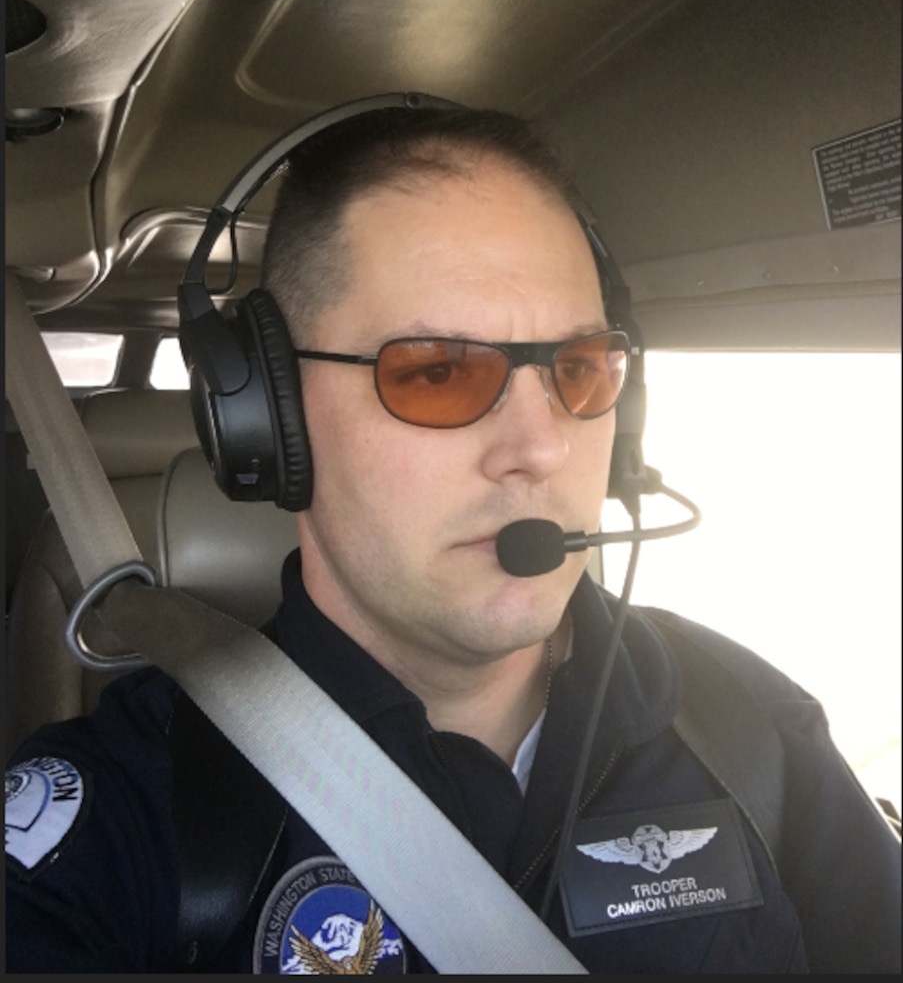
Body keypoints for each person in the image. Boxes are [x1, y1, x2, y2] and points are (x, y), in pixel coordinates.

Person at [5, 105, 901, 973]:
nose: (541, 449)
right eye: (436, 371)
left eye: (581, 370)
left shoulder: (744, 721)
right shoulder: (122, 817)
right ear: (267, 426)